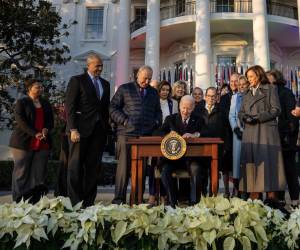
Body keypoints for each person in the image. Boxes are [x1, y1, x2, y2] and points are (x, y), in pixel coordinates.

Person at [110, 65, 162, 204]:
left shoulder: (153, 92)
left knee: (141, 169)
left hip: (144, 137)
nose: (147, 81)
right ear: (138, 74)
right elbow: (113, 108)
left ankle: (136, 199)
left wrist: (156, 122)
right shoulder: (124, 89)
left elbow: (158, 112)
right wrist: (125, 121)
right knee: (123, 170)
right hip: (126, 135)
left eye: (149, 79)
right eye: (145, 78)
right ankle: (118, 200)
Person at [65, 53, 110, 207]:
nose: (100, 68)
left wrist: (107, 131)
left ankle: (89, 202)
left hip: (98, 133)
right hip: (79, 131)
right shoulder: (77, 81)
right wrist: (73, 129)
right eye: (97, 65)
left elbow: (104, 110)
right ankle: (75, 202)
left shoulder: (105, 84)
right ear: (88, 64)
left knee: (93, 168)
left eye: (101, 65)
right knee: (75, 166)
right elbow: (69, 107)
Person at [238, 65, 286, 201]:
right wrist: (244, 118)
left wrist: (258, 117)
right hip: (250, 132)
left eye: (251, 76)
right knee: (252, 165)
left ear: (259, 75)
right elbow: (241, 112)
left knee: (268, 164)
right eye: (248, 77)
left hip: (266, 132)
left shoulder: (270, 89)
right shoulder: (247, 93)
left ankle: (272, 201)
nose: (249, 79)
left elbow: (276, 109)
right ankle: (255, 200)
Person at [9, 78, 54, 203]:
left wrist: (46, 129)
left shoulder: (45, 103)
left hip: (43, 142)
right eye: (37, 87)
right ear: (29, 88)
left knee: (39, 175)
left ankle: (36, 202)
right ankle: (18, 202)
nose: (40, 89)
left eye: (41, 87)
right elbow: (21, 122)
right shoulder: (22, 102)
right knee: (21, 174)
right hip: (23, 143)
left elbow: (50, 121)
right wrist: (35, 133)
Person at [159, 95, 203, 207]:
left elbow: (206, 132)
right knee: (165, 171)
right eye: (183, 107)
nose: (185, 111)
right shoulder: (171, 119)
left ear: (193, 108)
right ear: (179, 106)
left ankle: (194, 203)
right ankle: (172, 203)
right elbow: (158, 132)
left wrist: (195, 135)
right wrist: (169, 135)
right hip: (173, 158)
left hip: (190, 159)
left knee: (196, 169)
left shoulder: (199, 119)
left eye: (189, 108)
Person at [266, 69, 299, 206]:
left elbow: (291, 117)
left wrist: (286, 133)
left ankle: (295, 200)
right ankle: (279, 200)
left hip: (286, 139)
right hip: (273, 139)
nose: (266, 80)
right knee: (277, 171)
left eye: (268, 78)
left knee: (289, 170)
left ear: (276, 79)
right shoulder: (268, 93)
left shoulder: (285, 93)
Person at [194, 87, 226, 196]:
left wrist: (226, 147)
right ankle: (202, 196)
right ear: (205, 97)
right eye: (209, 96)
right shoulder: (198, 109)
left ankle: (213, 196)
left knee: (214, 173)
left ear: (217, 97)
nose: (211, 98)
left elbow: (226, 129)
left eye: (214, 96)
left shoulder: (222, 110)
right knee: (202, 173)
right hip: (202, 147)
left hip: (217, 147)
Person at [219, 73, 239, 197]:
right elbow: (223, 114)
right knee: (225, 165)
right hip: (227, 134)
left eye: (236, 81)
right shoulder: (224, 97)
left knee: (236, 164)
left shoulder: (243, 95)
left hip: (238, 133)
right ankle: (226, 190)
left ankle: (235, 191)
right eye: (231, 81)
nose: (233, 83)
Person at [229, 75, 249, 197]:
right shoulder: (235, 97)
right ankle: (239, 191)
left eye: (244, 84)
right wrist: (235, 129)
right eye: (239, 84)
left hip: (251, 133)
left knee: (249, 162)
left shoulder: (252, 96)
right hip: (238, 134)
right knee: (237, 164)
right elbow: (231, 115)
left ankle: (250, 191)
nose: (241, 86)